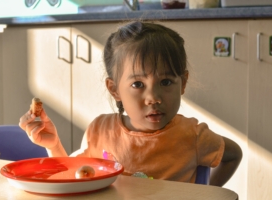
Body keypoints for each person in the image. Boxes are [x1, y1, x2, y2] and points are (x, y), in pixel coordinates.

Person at [19, 21, 242, 186]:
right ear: (115, 90)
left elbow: (234, 154)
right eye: (137, 84)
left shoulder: (193, 136)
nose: (153, 97)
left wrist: (205, 193)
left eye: (165, 81)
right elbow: (72, 178)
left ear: (182, 83)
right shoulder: (100, 130)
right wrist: (53, 144)